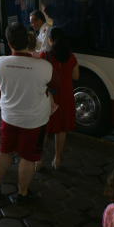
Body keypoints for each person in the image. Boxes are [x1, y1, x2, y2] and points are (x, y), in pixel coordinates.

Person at [0, 23, 60, 204]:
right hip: (34, 121)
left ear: (9, 43)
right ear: (29, 41)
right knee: (28, 158)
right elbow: (56, 86)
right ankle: (22, 193)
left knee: (4, 151)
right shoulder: (43, 66)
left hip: (8, 117)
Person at [38, 27, 79, 170]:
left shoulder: (44, 55)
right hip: (66, 97)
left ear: (50, 39)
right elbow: (76, 77)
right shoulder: (71, 57)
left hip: (49, 98)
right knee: (62, 129)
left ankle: (38, 161)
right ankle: (57, 159)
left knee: (44, 129)